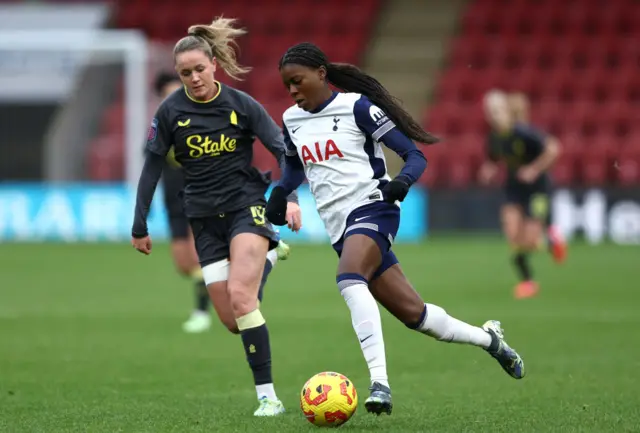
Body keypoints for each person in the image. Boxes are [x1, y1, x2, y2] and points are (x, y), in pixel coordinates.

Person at [266, 42, 526, 417]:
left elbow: (414, 155)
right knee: (416, 316)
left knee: (349, 278)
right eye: (287, 85)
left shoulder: (357, 107)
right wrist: (282, 190)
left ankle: (380, 384)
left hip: (375, 208)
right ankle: (491, 340)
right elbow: (293, 165)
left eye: (297, 81)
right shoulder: (292, 119)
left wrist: (401, 182)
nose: (292, 91)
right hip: (339, 227)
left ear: (321, 74)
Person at [131, 18, 302, 416]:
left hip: (247, 207)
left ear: (214, 65)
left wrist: (288, 197)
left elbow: (282, 151)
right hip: (204, 220)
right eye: (184, 73)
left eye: (199, 69)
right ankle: (271, 256)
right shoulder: (170, 112)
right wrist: (139, 225)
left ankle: (267, 397)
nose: (193, 78)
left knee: (242, 299)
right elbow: (151, 167)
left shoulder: (242, 105)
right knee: (232, 319)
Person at [152, 71, 291, 334]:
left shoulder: (198, 120)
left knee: (200, 256)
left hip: (203, 199)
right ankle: (263, 246)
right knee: (184, 264)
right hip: (173, 202)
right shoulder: (161, 125)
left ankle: (202, 312)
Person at [479, 89, 567, 299]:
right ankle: (529, 282)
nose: (493, 115)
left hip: (538, 191)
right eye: (490, 111)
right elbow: (493, 157)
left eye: (497, 110)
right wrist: (489, 168)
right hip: (514, 189)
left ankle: (550, 239)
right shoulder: (494, 137)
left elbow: (554, 148)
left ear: (507, 111)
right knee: (512, 234)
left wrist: (533, 169)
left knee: (528, 241)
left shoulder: (524, 133)